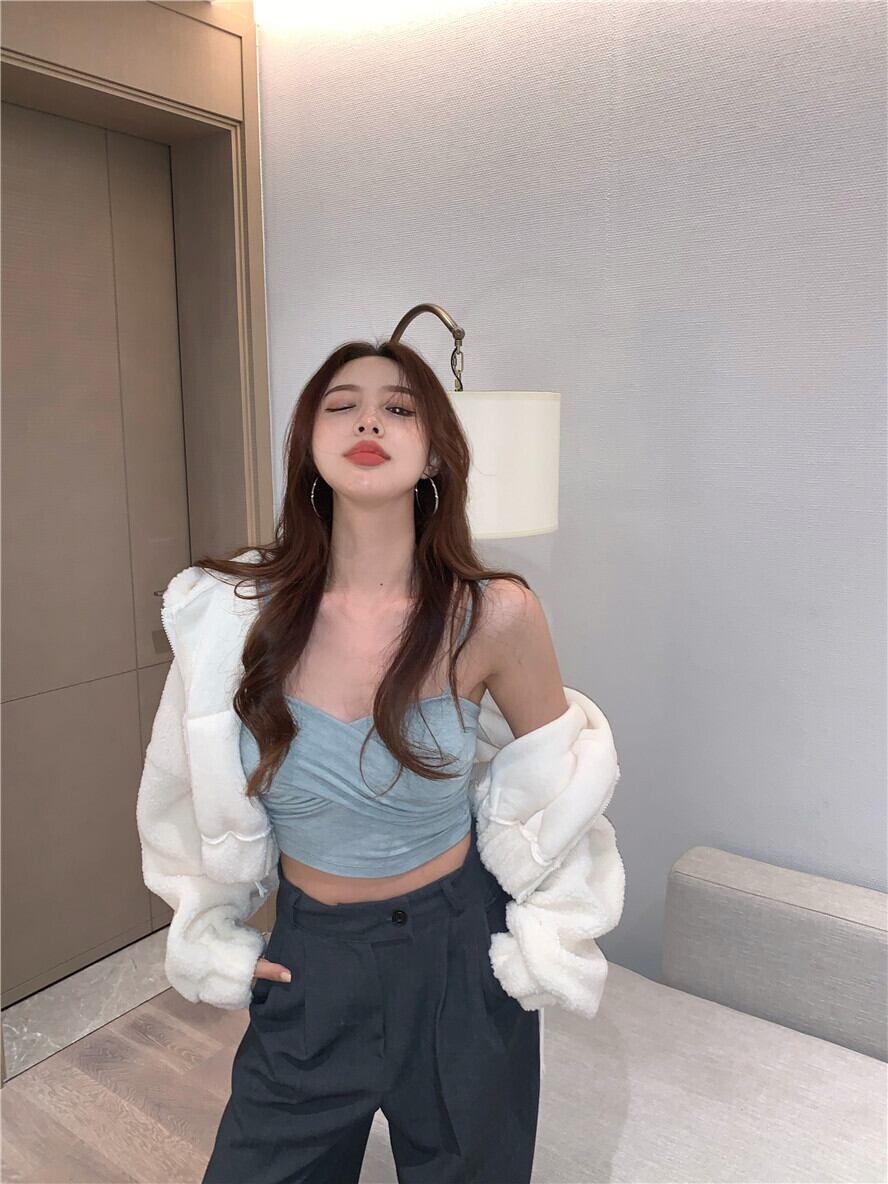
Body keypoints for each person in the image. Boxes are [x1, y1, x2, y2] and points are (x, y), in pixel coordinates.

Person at [144, 339, 575, 1184]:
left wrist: (547, 939)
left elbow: (562, 793)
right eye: (341, 405)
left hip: (459, 958)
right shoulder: (231, 612)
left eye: (399, 407)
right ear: (309, 442)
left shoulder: (495, 613)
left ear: (435, 452)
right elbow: (178, 793)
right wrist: (212, 935)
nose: (369, 420)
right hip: (313, 956)